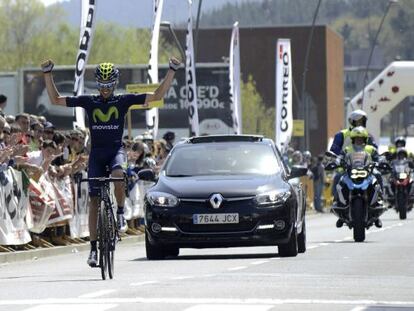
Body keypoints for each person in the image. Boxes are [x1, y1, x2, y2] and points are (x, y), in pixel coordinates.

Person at [41, 57, 180, 267]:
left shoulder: (123, 100)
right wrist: (47, 74)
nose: (105, 90)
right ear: (97, 84)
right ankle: (93, 249)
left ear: (114, 84)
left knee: (117, 175)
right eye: (101, 85)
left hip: (116, 150)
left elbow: (158, 95)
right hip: (96, 153)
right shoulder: (89, 101)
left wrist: (171, 70)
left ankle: (121, 213)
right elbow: (55, 99)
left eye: (108, 86)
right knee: (94, 201)